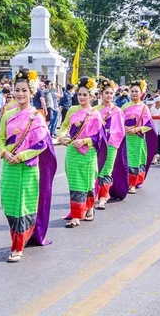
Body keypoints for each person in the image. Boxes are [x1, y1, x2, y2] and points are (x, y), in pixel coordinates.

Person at [0, 69, 56, 263]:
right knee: (9, 204)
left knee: (23, 206)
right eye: (17, 90)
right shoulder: (8, 114)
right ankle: (17, 239)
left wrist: (20, 156)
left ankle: (18, 246)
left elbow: (41, 144)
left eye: (24, 90)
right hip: (9, 166)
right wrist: (5, 153)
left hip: (27, 167)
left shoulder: (36, 116)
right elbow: (0, 139)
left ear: (31, 92)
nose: (20, 94)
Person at [58, 77, 103, 228]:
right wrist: (62, 136)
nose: (82, 98)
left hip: (88, 154)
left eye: (85, 95)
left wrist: (85, 141)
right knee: (75, 184)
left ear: (92, 96)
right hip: (72, 152)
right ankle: (76, 216)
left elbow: (100, 137)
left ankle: (89, 208)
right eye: (79, 94)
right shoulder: (72, 110)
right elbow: (64, 127)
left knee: (88, 183)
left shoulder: (95, 114)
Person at [94, 78, 128, 210]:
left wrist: (109, 137)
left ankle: (103, 197)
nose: (109, 96)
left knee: (107, 170)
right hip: (97, 145)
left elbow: (120, 130)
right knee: (97, 170)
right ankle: (97, 195)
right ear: (101, 94)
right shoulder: (95, 110)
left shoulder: (117, 111)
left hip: (111, 144)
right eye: (106, 93)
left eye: (111, 93)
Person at [122, 80, 157, 194]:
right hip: (126, 138)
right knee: (124, 161)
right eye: (132, 91)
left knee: (135, 161)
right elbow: (118, 122)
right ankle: (125, 182)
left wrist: (136, 129)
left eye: (136, 91)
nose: (134, 93)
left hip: (137, 139)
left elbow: (149, 125)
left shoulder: (144, 108)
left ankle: (133, 184)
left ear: (141, 92)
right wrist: (124, 128)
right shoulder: (124, 106)